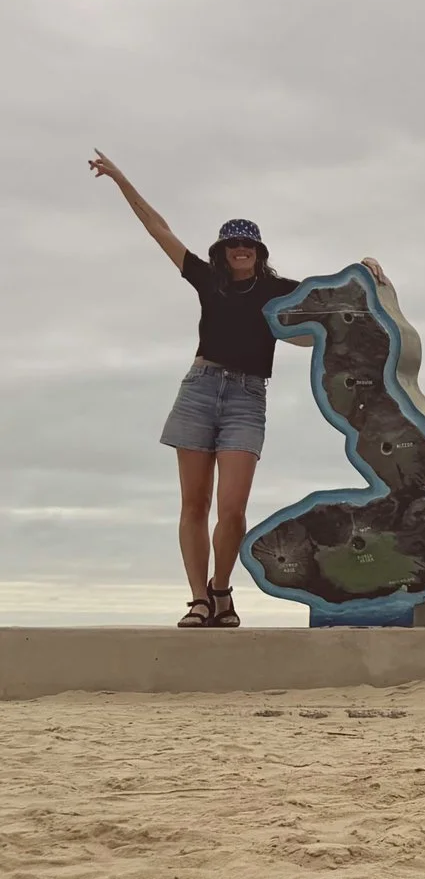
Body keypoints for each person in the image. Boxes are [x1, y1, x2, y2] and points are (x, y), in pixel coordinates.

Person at [90, 153, 301, 627]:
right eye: (232, 244)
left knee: (232, 508)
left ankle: (221, 589)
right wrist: (121, 178)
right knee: (194, 504)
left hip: (247, 398)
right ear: (222, 252)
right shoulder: (208, 280)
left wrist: (370, 268)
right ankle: (198, 600)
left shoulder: (281, 291)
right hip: (200, 390)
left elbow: (333, 300)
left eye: (248, 243)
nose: (240, 249)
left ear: (259, 251)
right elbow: (158, 229)